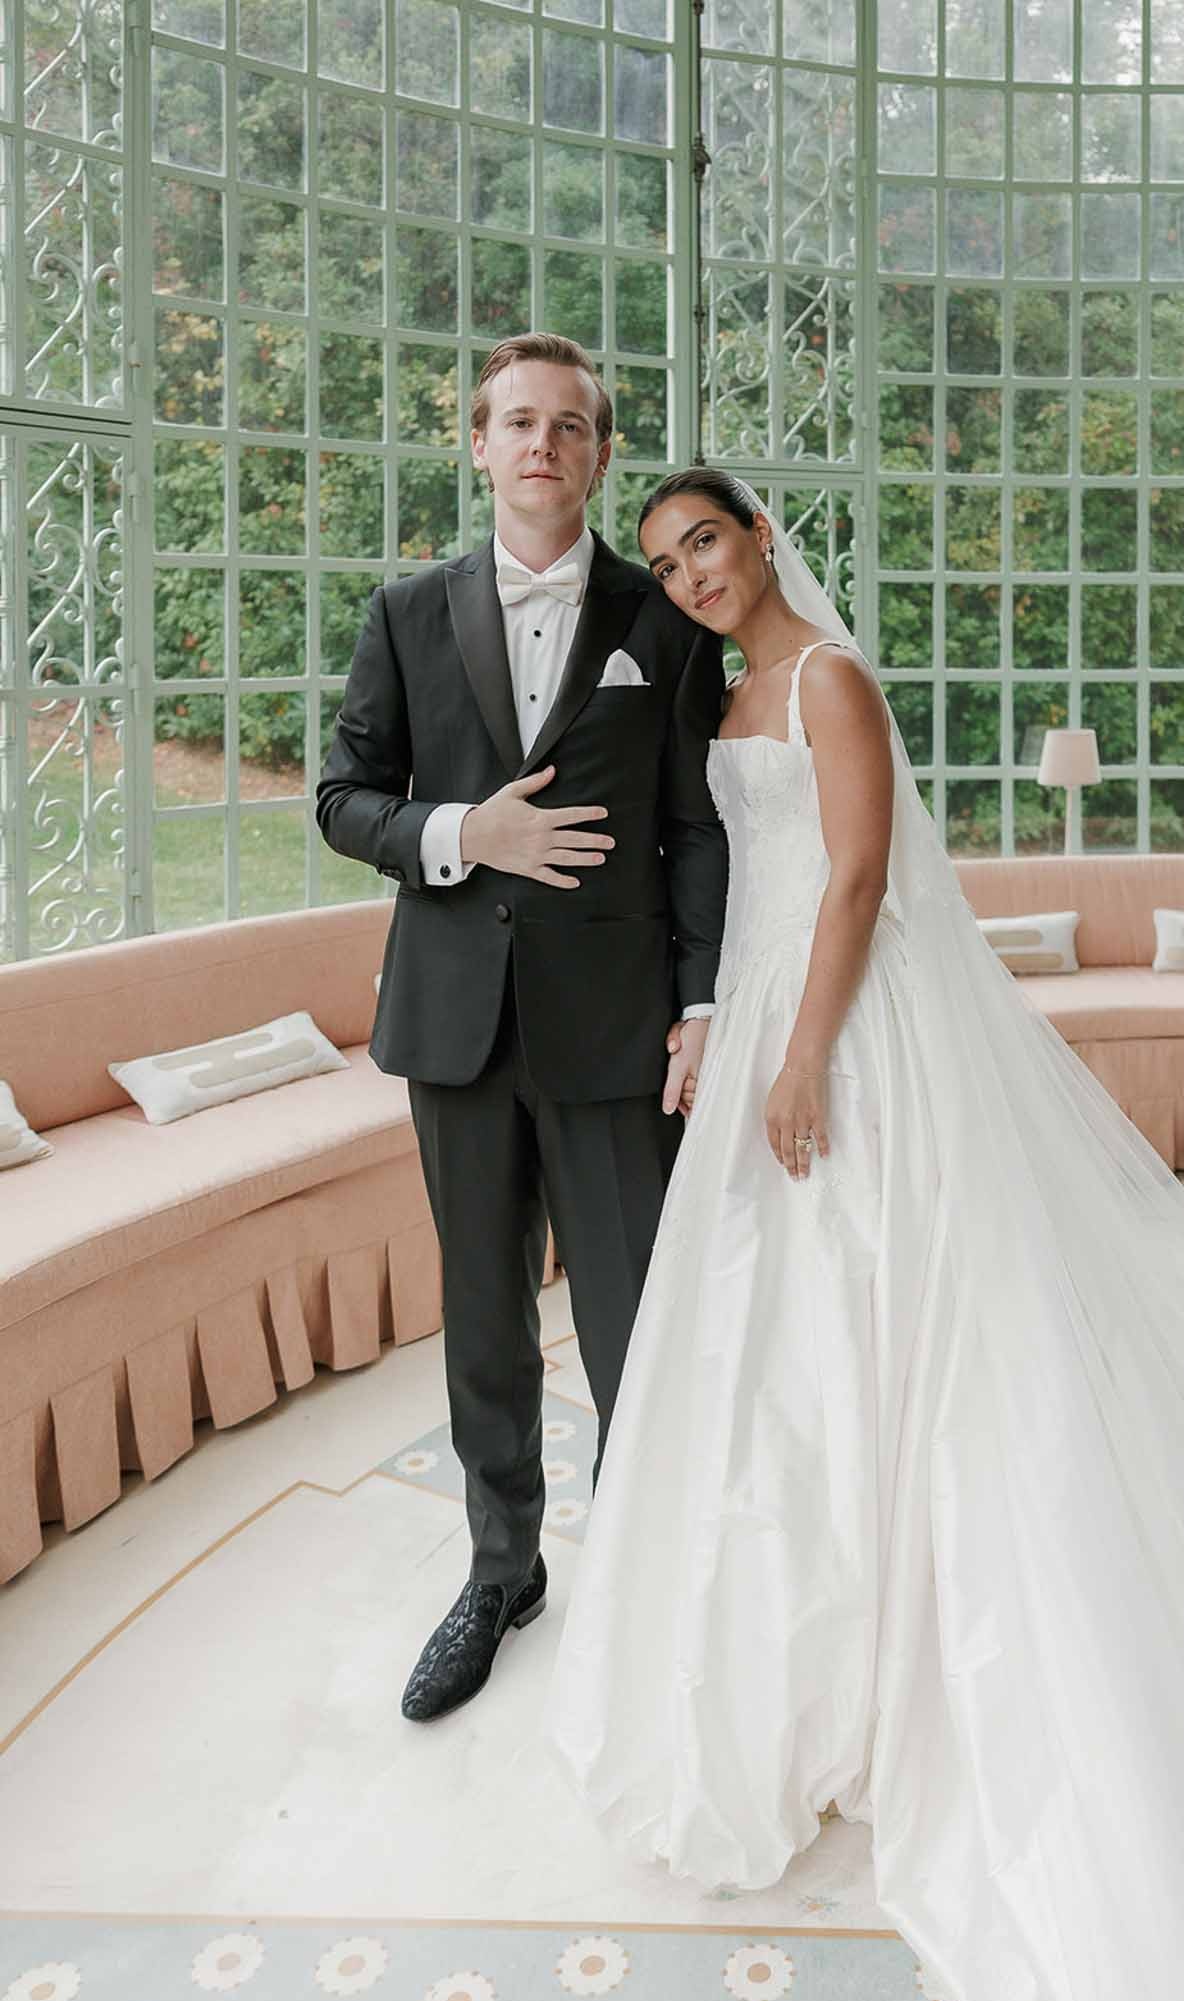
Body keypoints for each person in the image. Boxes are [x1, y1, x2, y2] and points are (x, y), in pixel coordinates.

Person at [544, 467, 1184, 2001]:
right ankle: (813, 1655)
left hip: (857, 1033)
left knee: (901, 1308)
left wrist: (801, 1056)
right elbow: (743, 880)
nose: (689, 573)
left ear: (761, 534)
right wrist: (725, 1024)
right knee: (770, 1341)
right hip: (771, 1018)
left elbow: (855, 879)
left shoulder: (830, 680)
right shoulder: (724, 690)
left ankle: (936, 1646)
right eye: (663, 559)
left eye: (703, 540)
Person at [316, 340, 727, 1723]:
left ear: (599, 454)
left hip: (615, 1034)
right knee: (484, 1321)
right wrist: (457, 832)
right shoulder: (404, 611)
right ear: (478, 446)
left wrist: (702, 1003)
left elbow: (695, 833)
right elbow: (341, 796)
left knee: (635, 1331)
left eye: (568, 425)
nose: (541, 442)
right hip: (454, 1029)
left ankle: (651, 1577)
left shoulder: (663, 621)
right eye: (515, 422)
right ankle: (500, 1574)